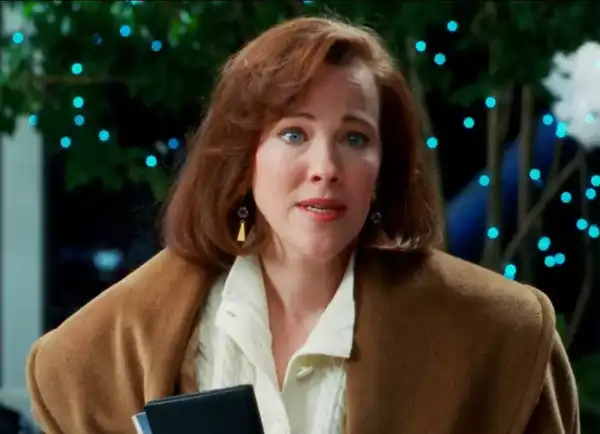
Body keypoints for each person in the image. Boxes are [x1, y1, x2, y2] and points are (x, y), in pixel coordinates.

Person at [26, 16, 579, 434]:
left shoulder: (500, 338)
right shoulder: (106, 353)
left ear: (382, 169)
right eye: (294, 133)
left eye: (354, 138)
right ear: (244, 158)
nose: (325, 167)